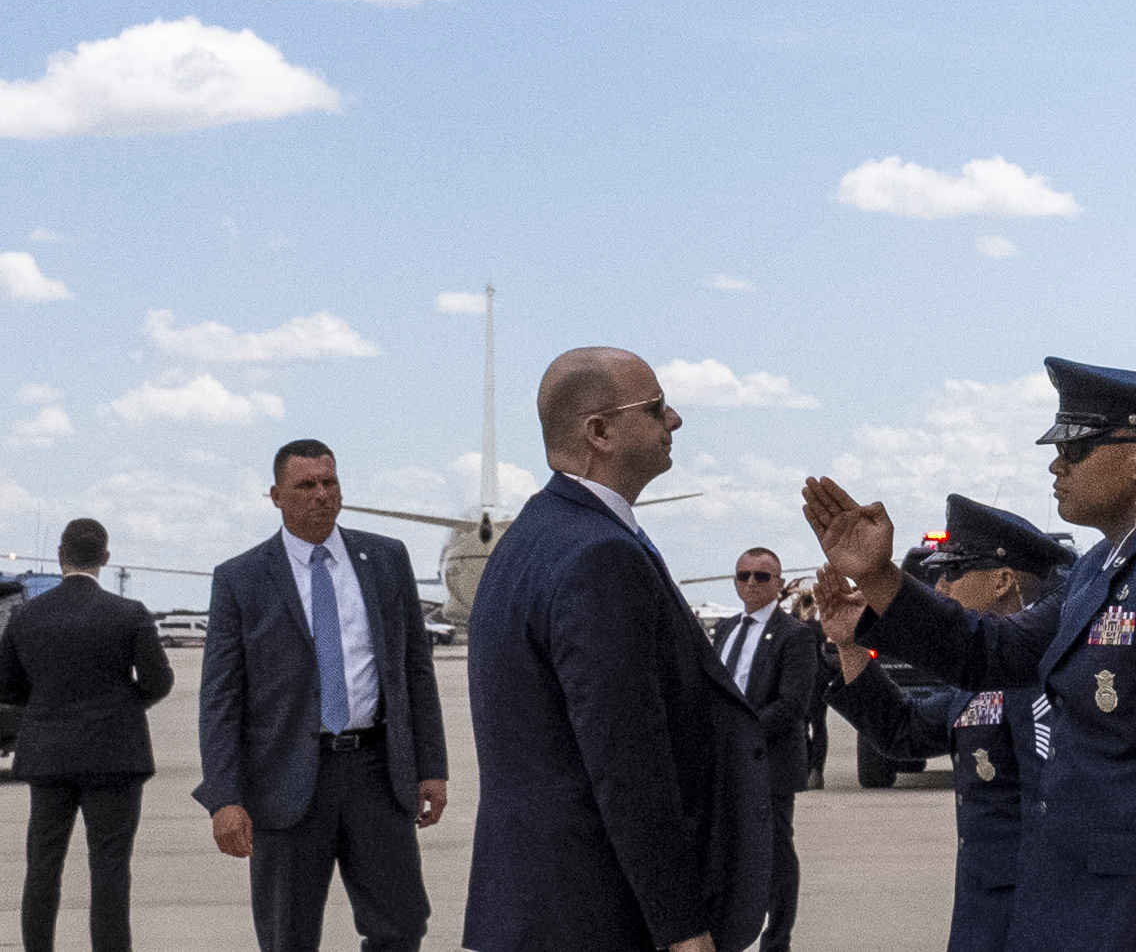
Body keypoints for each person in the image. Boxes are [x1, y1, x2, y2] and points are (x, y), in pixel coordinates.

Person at [800, 363, 1136, 952]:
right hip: (1079, 909)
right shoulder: (1098, 569)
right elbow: (992, 650)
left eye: (1075, 447)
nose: (1057, 464)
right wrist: (881, 579)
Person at [461, 350, 768, 952]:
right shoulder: (599, 556)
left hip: (535, 908)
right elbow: (628, 765)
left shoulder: (531, 538)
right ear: (599, 433)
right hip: (599, 916)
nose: (674, 419)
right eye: (655, 409)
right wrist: (683, 929)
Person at [196, 439, 450, 952]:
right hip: (286, 781)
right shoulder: (240, 578)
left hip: (377, 773)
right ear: (276, 496)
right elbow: (220, 699)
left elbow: (414, 671)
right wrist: (223, 798)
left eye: (329, 482)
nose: (321, 495)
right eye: (305, 485)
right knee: (287, 935)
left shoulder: (384, 558)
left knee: (400, 926)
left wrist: (432, 765)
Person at [811, 496, 1071, 952]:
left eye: (954, 572)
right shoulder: (975, 681)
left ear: (1003, 580)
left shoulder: (1059, 672)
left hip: (1048, 912)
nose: (941, 587)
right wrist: (850, 647)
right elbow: (902, 733)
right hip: (982, 911)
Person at [0, 519, 169, 952]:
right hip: (115, 755)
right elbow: (158, 681)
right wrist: (126, 702)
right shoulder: (129, 613)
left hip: (48, 757)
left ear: (60, 555)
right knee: (111, 868)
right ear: (106, 559)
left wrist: (48, 702)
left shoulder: (27, 616)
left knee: (42, 866)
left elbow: (9, 689)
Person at [706, 551, 819, 952]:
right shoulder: (724, 629)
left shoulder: (795, 634)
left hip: (769, 762)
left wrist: (739, 733)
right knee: (722, 853)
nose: (751, 583)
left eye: (761, 576)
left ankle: (776, 941)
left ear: (777, 582)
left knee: (775, 856)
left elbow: (792, 705)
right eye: (743, 575)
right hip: (722, 764)